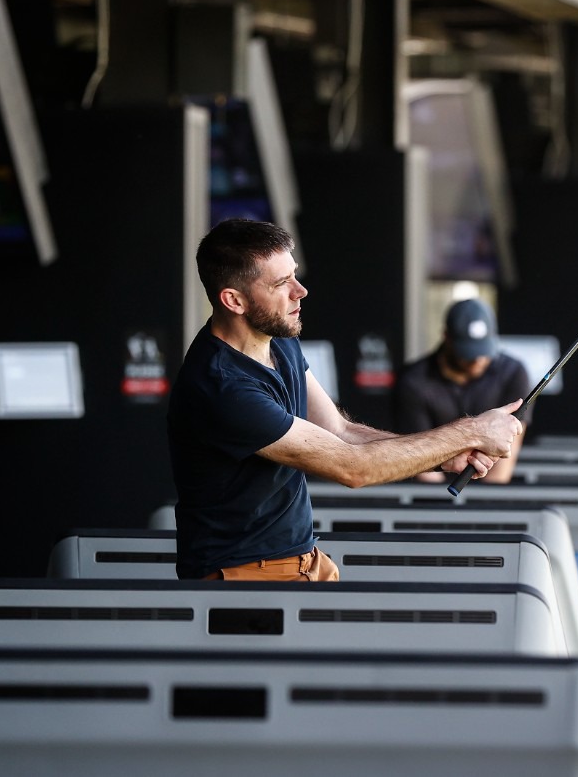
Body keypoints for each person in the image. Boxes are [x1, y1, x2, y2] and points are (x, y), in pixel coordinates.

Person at [167, 220, 523, 582]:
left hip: (303, 561)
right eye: (281, 284)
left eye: (295, 275)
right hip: (241, 578)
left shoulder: (279, 340)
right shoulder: (223, 386)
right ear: (234, 300)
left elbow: (341, 431)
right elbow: (353, 467)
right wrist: (470, 433)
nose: (300, 291)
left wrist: (444, 456)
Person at [394, 298, 531, 484]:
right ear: (446, 337)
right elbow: (417, 455)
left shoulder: (513, 373)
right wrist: (443, 508)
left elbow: (508, 452)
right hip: (428, 497)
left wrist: (486, 507)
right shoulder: (414, 380)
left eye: (483, 349)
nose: (478, 359)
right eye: (469, 351)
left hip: (491, 495)